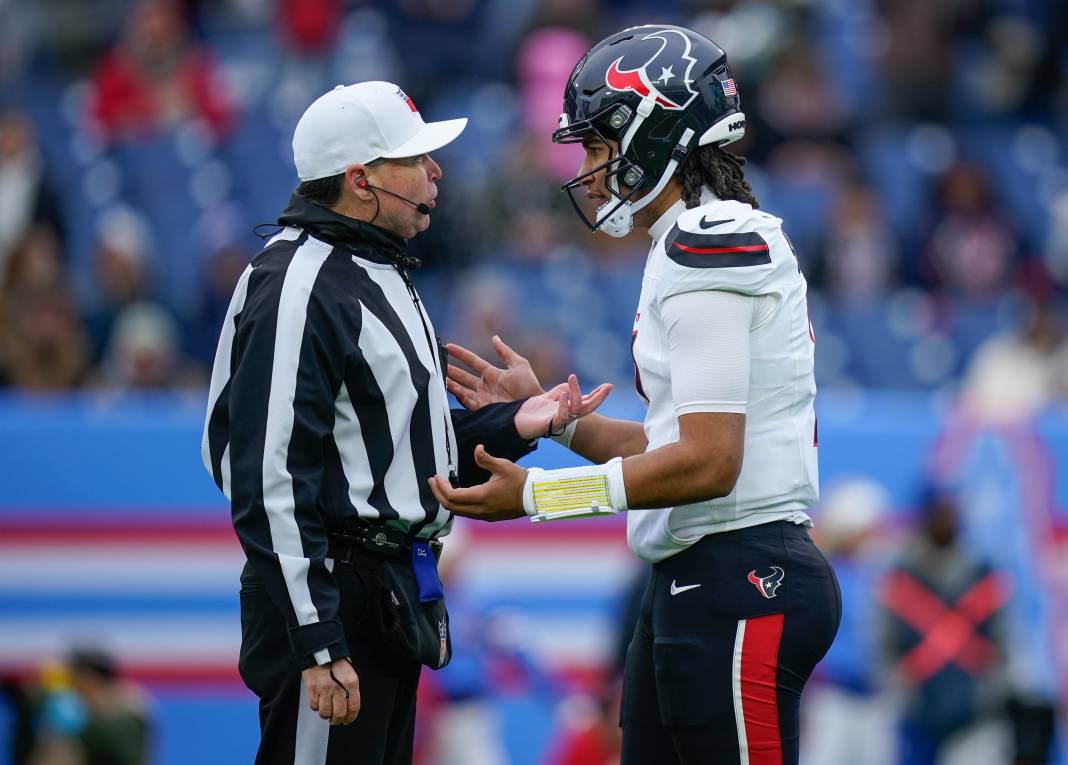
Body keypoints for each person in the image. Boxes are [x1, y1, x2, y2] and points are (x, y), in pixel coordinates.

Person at [431, 26, 841, 765]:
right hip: (700, 572)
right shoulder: (684, 242)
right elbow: (675, 446)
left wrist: (538, 498)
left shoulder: (707, 242)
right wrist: (556, 423)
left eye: (598, 145)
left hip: (741, 568)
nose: (588, 170)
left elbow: (710, 464)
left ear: (656, 132)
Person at [200, 81, 609, 765]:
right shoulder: (300, 280)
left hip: (386, 588)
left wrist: (518, 422)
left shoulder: (375, 270)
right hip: (338, 587)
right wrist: (319, 636)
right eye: (415, 157)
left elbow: (396, 453)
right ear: (361, 180)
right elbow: (268, 475)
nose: (436, 170)